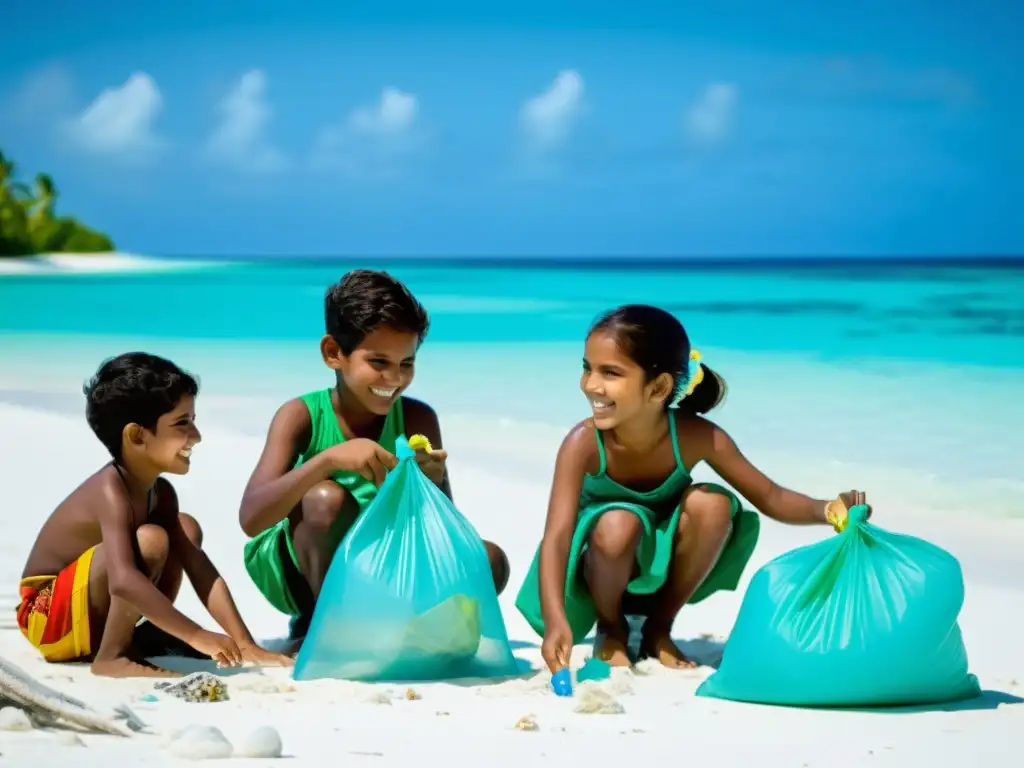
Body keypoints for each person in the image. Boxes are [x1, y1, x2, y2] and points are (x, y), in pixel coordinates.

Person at [515, 304, 870, 672]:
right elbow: (557, 537)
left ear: (659, 387)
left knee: (713, 503)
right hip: (598, 568)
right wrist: (556, 620)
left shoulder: (695, 436)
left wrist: (830, 508)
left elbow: (772, 497)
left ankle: (658, 629)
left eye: (611, 372)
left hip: (664, 568)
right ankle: (613, 629)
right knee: (619, 523)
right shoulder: (584, 442)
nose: (591, 384)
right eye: (587, 368)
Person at [239, 269, 510, 652]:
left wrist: (429, 484)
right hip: (308, 570)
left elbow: (443, 534)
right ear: (334, 353)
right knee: (324, 499)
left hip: (383, 566)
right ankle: (321, 624)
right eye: (378, 362)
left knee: (489, 561)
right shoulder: (301, 415)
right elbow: (251, 518)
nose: (394, 378)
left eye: (407, 363)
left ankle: (394, 624)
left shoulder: (418, 419)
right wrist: (327, 460)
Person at [17, 353, 290, 678]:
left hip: (82, 615)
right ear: (136, 436)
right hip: (44, 617)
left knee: (184, 528)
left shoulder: (160, 494)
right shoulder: (110, 489)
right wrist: (196, 635)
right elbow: (123, 579)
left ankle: (135, 637)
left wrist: (244, 643)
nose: (197, 435)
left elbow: (199, 568)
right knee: (151, 540)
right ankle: (112, 657)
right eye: (182, 423)